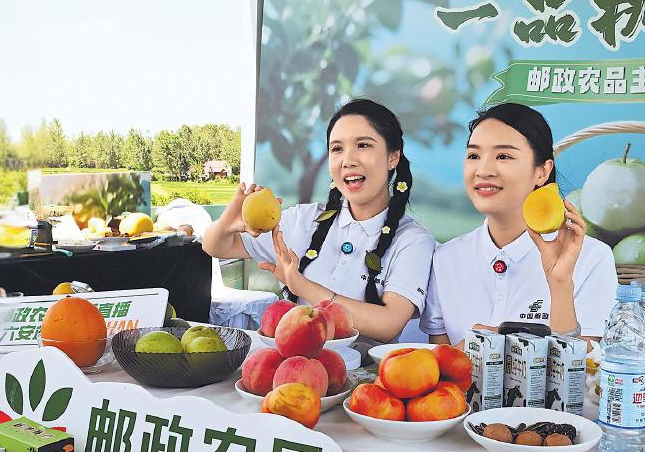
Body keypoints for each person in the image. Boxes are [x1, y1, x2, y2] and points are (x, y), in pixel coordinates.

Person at [203, 99, 435, 343]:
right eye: (337, 149)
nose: (348, 160)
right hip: (291, 363)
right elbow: (215, 246)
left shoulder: (413, 241)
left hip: (365, 367)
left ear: (393, 157)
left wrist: (300, 285)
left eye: (363, 145)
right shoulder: (302, 219)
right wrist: (228, 223)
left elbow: (388, 324)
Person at [421, 103, 618, 350]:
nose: (483, 170)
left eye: (503, 156)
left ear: (542, 172)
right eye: (474, 156)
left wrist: (560, 283)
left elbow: (581, 366)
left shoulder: (592, 257)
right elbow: (438, 364)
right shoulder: (446, 258)